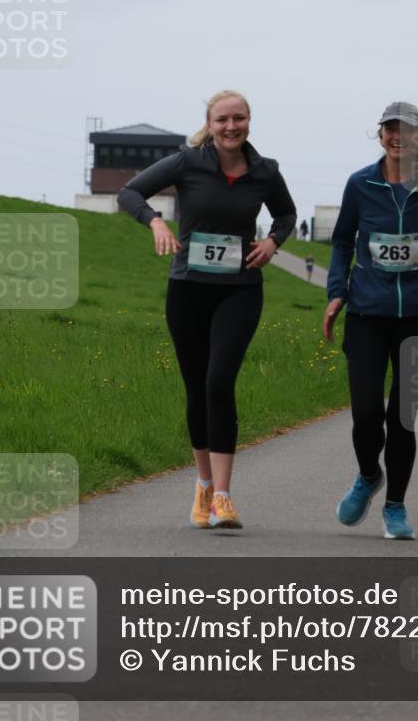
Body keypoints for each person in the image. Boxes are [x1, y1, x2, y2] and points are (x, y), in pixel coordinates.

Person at [117, 90, 297, 529]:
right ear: (210, 124)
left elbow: (287, 215)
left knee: (219, 383)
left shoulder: (265, 171)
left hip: (240, 290)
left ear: (249, 121)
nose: (231, 126)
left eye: (239, 118)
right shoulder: (187, 162)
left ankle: (223, 497)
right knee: (197, 388)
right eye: (222, 120)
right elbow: (129, 192)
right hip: (188, 290)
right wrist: (155, 221)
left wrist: (272, 242)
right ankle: (203, 484)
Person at [323, 101, 418, 540]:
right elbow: (342, 243)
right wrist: (336, 293)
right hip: (366, 314)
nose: (396, 137)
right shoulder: (360, 184)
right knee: (367, 414)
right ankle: (369, 475)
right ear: (380, 133)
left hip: (417, 318)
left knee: (402, 418)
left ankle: (395, 508)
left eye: (406, 130)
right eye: (389, 128)